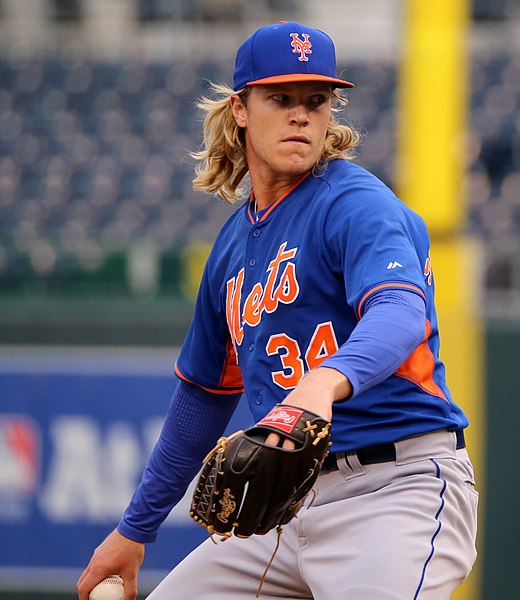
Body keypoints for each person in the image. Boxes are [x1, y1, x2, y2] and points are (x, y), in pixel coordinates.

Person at [77, 21, 478, 600]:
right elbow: (203, 397)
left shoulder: (357, 206)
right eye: (281, 99)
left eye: (316, 101)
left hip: (397, 494)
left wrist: (325, 382)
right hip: (285, 507)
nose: (301, 115)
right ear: (240, 109)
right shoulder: (233, 247)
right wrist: (134, 530)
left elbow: (398, 310)